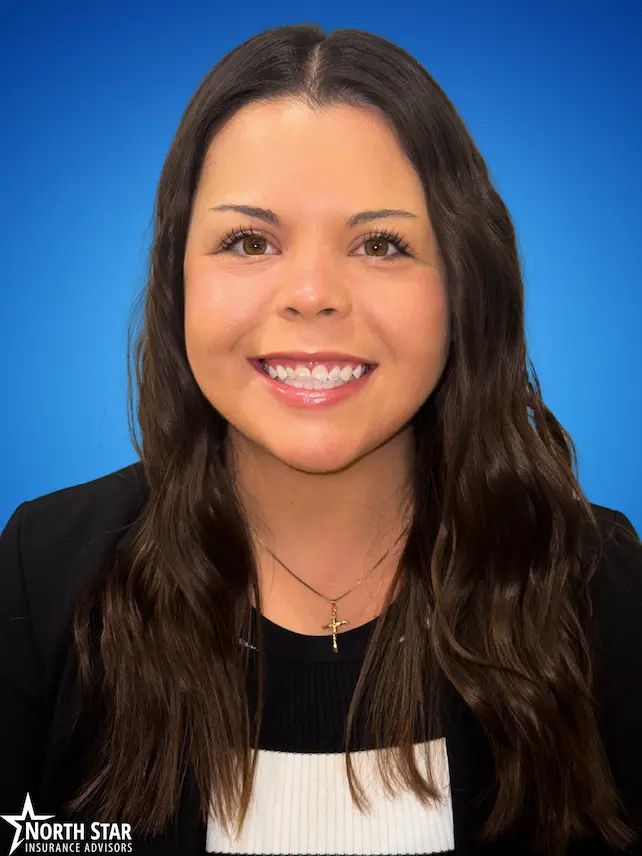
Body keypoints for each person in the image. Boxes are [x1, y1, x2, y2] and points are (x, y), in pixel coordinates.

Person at [1, 22, 641, 856]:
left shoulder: (598, 586)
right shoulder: (43, 578)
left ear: (464, 287)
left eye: (382, 244)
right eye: (249, 241)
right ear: (176, 282)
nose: (311, 294)